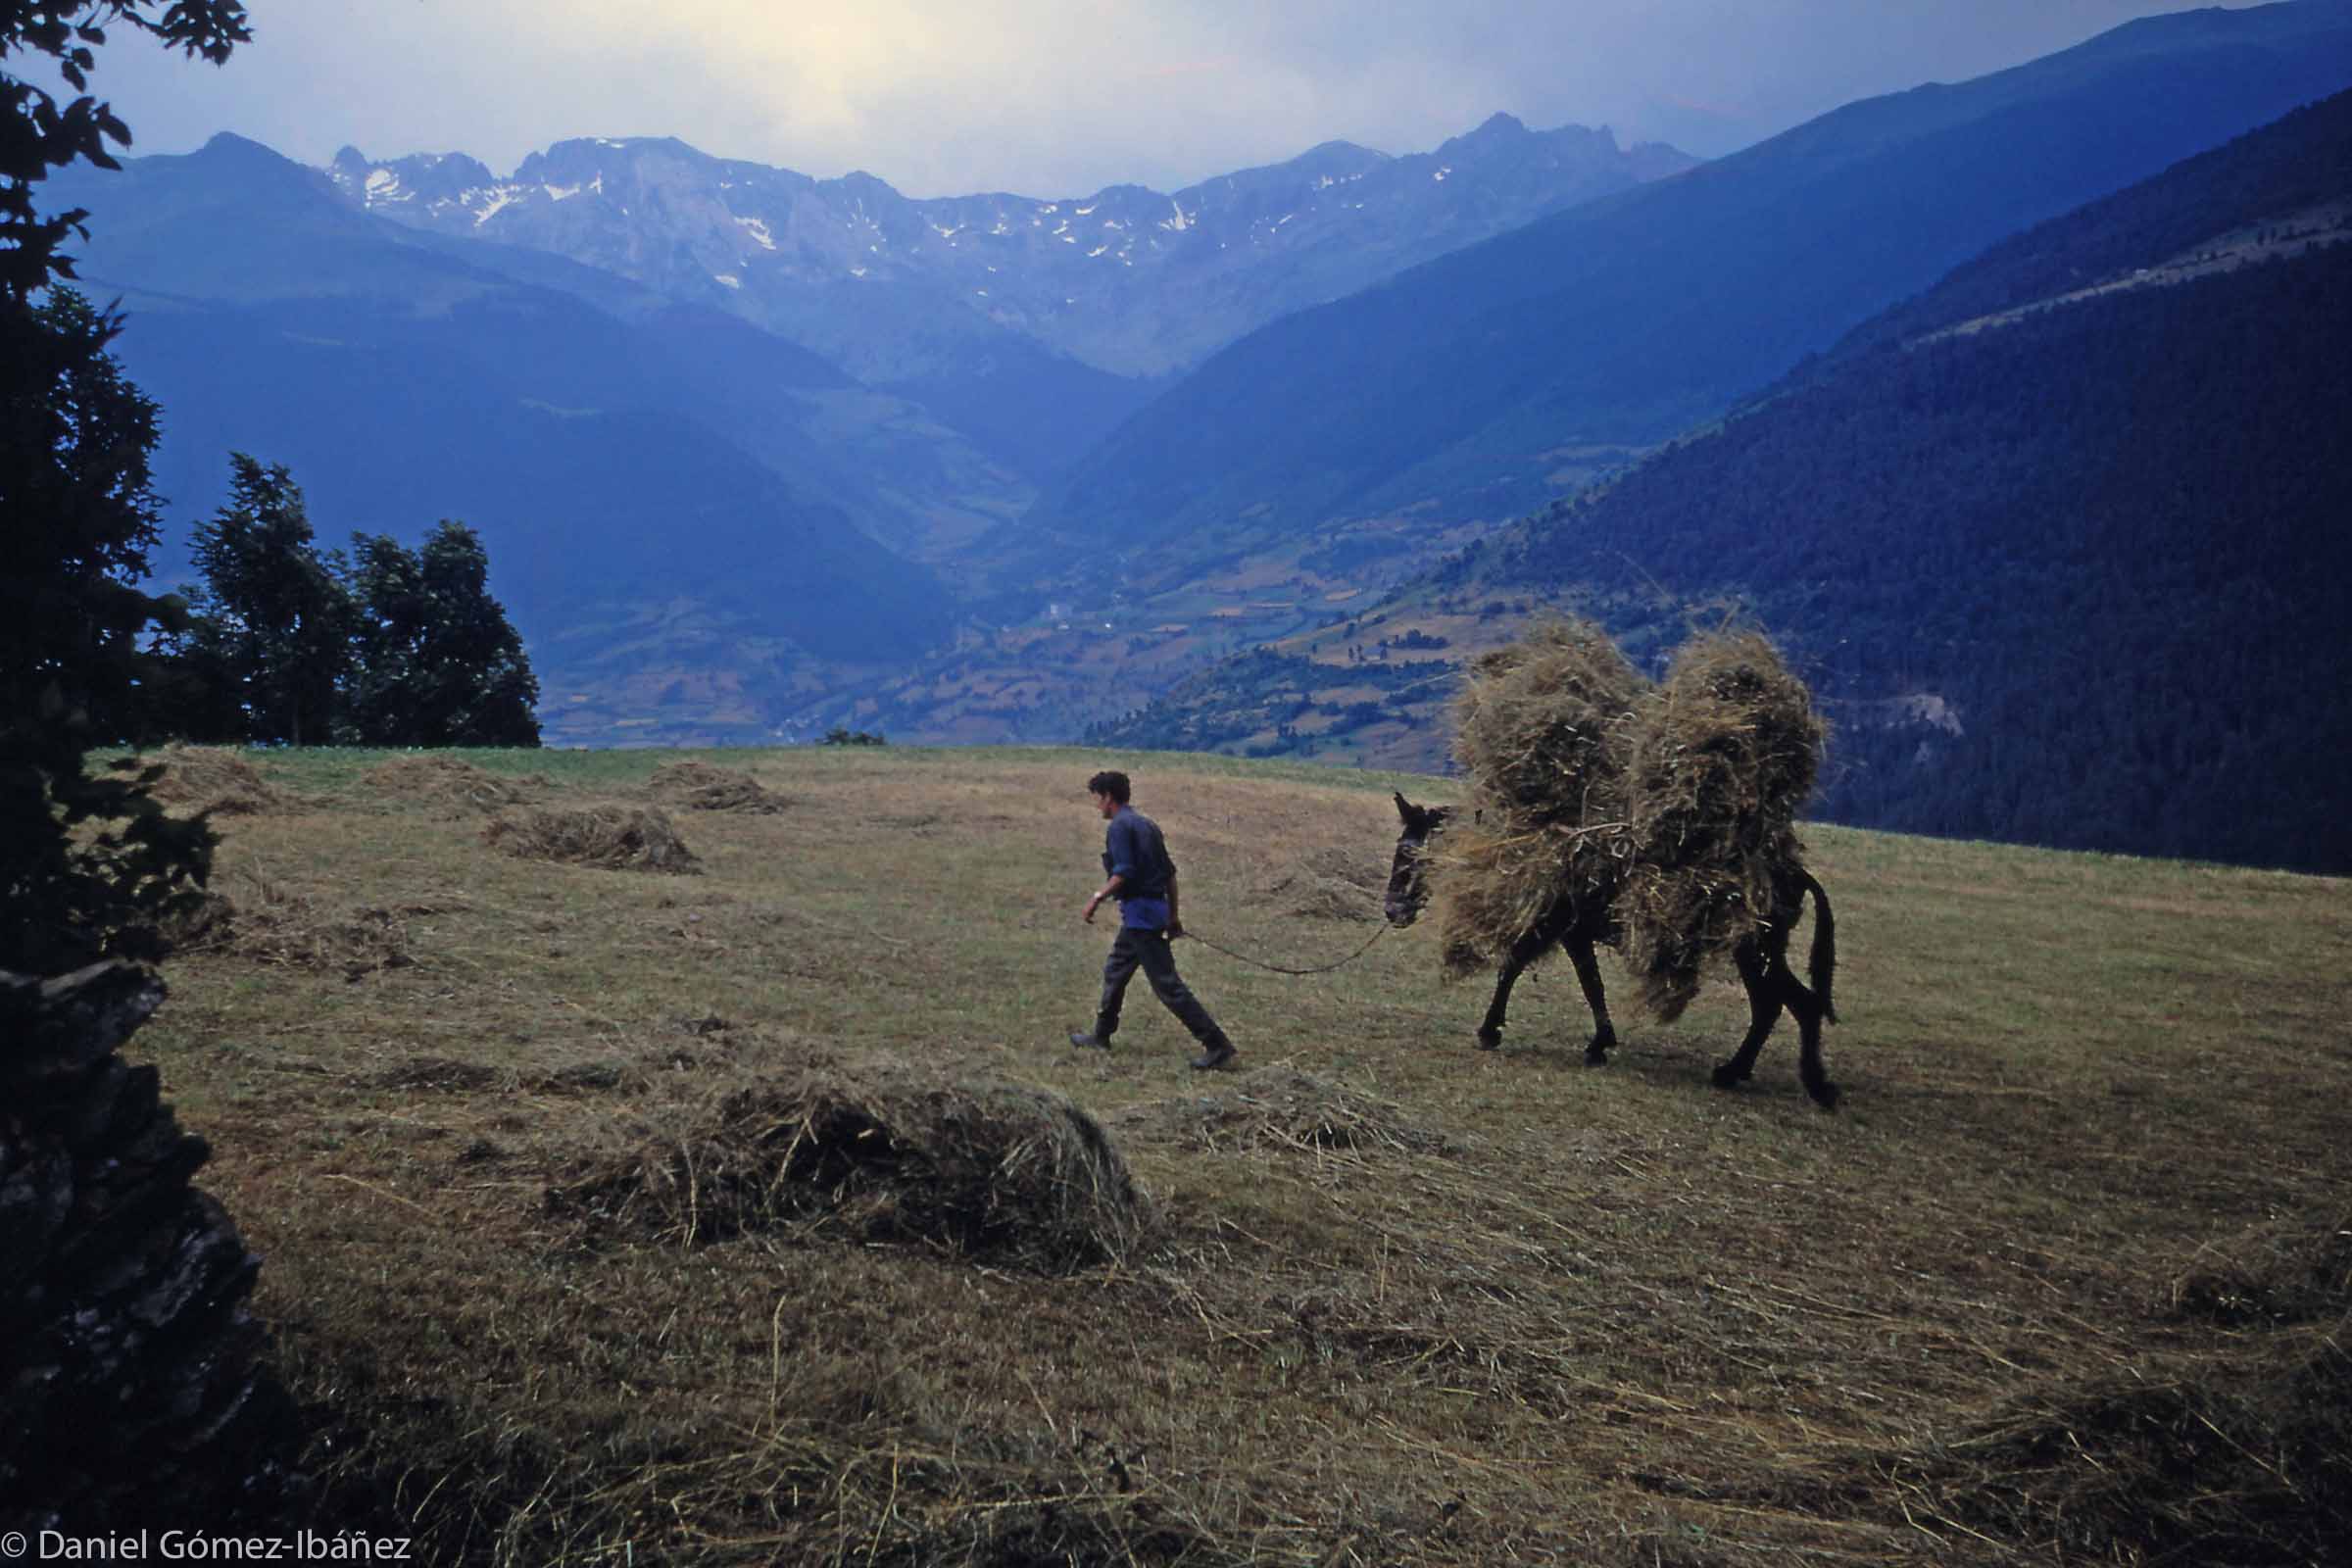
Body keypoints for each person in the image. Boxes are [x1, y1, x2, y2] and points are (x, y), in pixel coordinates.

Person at [1069, 770, 1237, 1069]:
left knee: (1167, 986)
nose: (1096, 805)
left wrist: (1096, 899)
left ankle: (1217, 1044)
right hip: (1150, 914)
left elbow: (1124, 873)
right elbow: (1170, 875)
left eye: (1097, 798)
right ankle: (1102, 1035)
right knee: (1116, 970)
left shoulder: (1120, 827)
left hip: (1141, 918)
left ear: (1108, 797)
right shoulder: (1147, 825)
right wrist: (1172, 915)